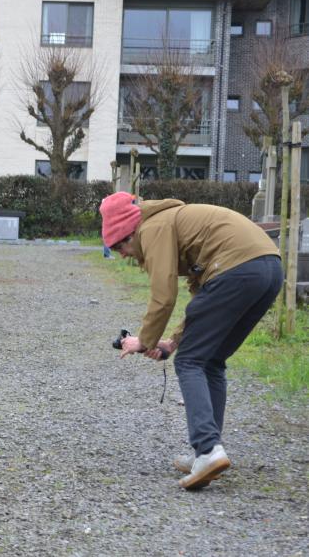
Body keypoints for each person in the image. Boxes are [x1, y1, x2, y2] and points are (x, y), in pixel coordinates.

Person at [100, 192, 282, 490]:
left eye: (120, 245)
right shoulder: (172, 223)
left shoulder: (152, 228)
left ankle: (208, 450)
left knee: (191, 362)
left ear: (129, 231)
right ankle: (208, 451)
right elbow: (203, 295)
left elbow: (164, 296)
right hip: (268, 269)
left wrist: (143, 341)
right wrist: (172, 341)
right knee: (210, 360)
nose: (121, 253)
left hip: (236, 270)